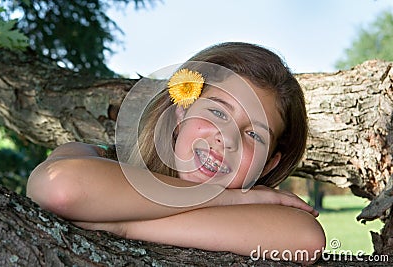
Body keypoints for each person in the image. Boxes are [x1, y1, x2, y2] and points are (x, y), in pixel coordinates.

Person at [27, 42, 325, 263]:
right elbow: (59, 187)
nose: (227, 138)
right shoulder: (93, 156)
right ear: (181, 111)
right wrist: (228, 197)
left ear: (269, 164)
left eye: (253, 134)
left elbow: (307, 240)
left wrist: (123, 226)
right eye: (218, 113)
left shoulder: (261, 213)